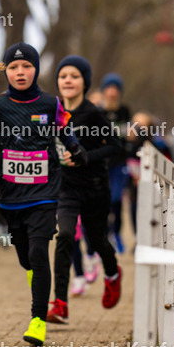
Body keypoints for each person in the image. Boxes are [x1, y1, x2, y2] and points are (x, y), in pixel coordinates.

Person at [0, 43, 88, 346]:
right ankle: (35, 276)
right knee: (26, 256)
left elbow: (64, 128)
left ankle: (38, 319)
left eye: (26, 66)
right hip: (10, 194)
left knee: (39, 252)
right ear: (6, 71)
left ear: (36, 69)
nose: (20, 72)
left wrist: (76, 147)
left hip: (45, 191)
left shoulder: (50, 103)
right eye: (13, 67)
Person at [47, 56, 122, 325]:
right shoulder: (52, 112)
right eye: (63, 75)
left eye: (74, 76)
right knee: (65, 236)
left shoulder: (94, 113)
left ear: (85, 83)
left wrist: (85, 156)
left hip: (95, 188)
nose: (68, 80)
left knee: (97, 241)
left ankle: (112, 274)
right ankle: (60, 304)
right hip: (66, 188)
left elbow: (116, 146)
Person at [99, 73, 131, 253]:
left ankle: (116, 233)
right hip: (102, 163)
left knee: (117, 200)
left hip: (119, 163)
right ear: (104, 91)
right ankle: (103, 235)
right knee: (103, 202)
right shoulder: (98, 111)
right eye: (109, 88)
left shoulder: (124, 111)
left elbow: (126, 135)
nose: (112, 92)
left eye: (115, 89)